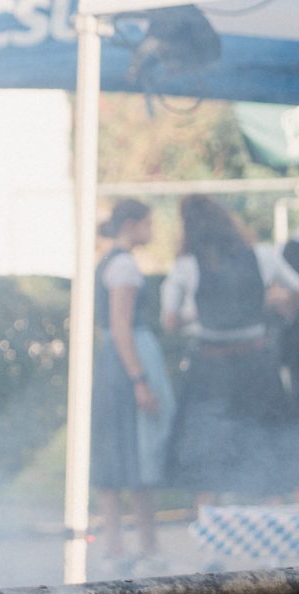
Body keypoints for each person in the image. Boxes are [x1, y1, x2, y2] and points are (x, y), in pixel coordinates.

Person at [160, 194, 299, 502]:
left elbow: (169, 321)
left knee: (205, 448)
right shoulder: (263, 255)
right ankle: (274, 522)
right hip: (256, 362)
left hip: (212, 366)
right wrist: (278, 304)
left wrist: (196, 314)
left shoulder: (185, 266)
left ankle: (208, 525)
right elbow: (295, 289)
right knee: (270, 441)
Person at [88, 199, 171, 573]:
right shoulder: (122, 265)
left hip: (115, 361)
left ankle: (119, 546)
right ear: (133, 224)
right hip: (127, 361)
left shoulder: (109, 261)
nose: (151, 231)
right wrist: (139, 379)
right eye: (148, 223)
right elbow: (121, 325)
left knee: (119, 449)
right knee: (137, 449)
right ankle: (144, 547)